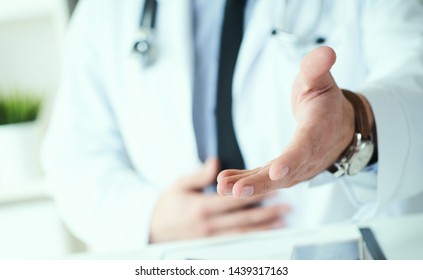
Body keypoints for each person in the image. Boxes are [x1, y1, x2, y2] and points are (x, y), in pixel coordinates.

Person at [43, 0, 423, 253]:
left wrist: (355, 126)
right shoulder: (106, 11)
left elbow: (414, 78)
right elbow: (73, 158)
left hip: (340, 256)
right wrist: (148, 217)